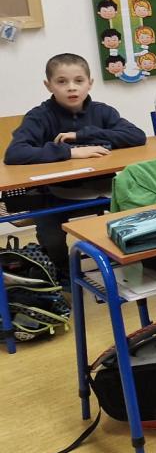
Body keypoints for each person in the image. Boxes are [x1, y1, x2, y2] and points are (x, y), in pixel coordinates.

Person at [3, 53, 146, 282]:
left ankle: (129, 261)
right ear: (48, 85)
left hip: (104, 189)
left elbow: (136, 136)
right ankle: (60, 273)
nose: (71, 87)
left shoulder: (102, 111)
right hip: (57, 193)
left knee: (139, 207)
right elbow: (15, 153)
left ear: (90, 83)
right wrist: (69, 152)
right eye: (62, 81)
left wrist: (82, 135)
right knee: (51, 235)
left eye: (79, 81)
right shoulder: (39, 116)